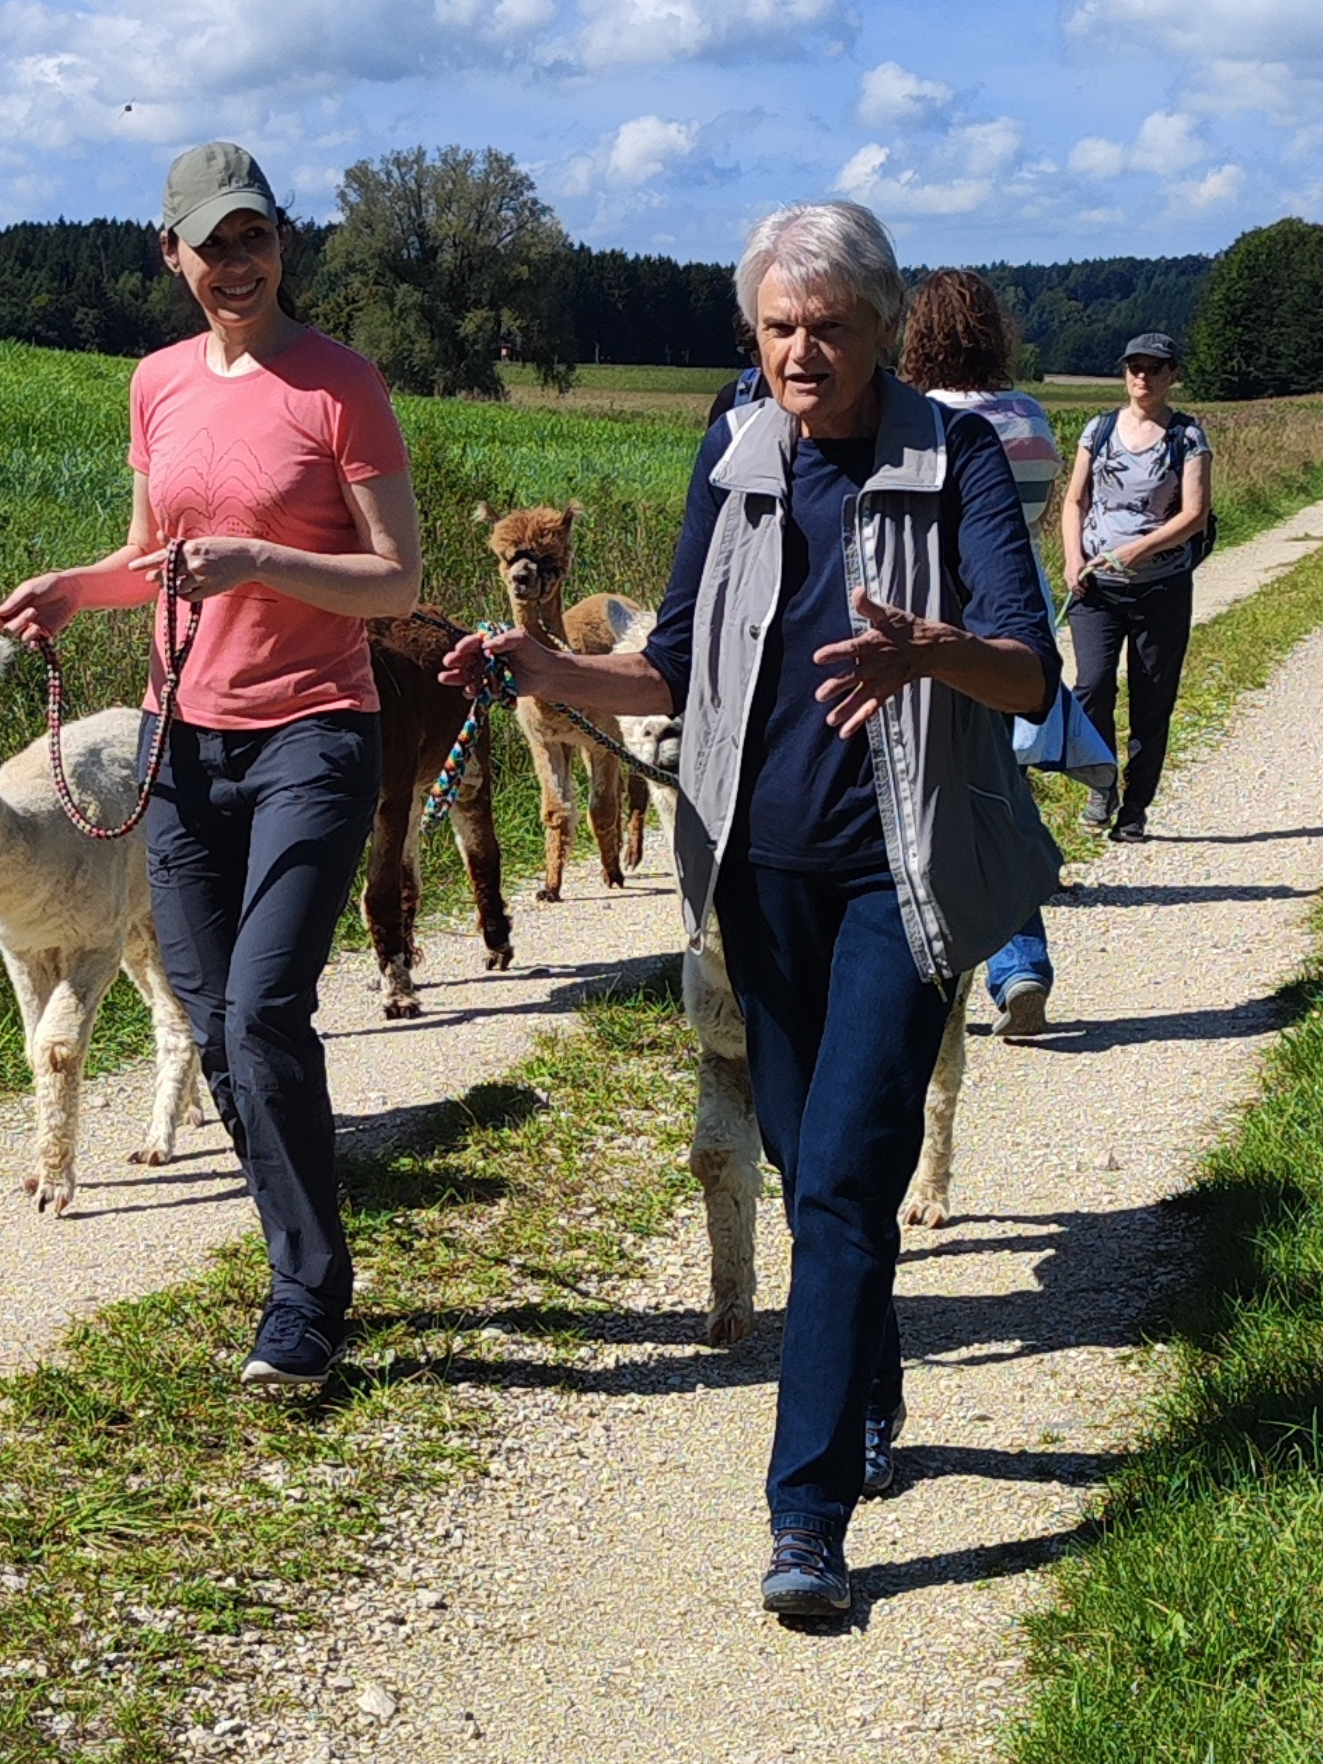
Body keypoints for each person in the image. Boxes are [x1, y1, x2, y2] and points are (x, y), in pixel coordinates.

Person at [441, 202, 1061, 1616]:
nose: (798, 352)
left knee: (842, 1175)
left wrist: (934, 652)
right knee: (800, 1160)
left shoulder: (948, 457)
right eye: (775, 328)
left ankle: (806, 1518)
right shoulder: (731, 459)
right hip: (752, 876)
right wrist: (534, 668)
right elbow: (667, 676)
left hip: (896, 878)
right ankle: (871, 1382)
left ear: (881, 328)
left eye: (825, 328)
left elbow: (1030, 677)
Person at [0, 141, 422, 1388]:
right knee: (212, 1022)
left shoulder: (339, 384)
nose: (235, 264)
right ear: (170, 254)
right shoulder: (157, 383)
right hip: (182, 737)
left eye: (254, 238)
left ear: (280, 243)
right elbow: (151, 552)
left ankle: (303, 1295)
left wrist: (258, 561)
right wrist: (75, 591)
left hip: (314, 731)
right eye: (209, 244)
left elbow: (397, 580)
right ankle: (311, 1245)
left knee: (263, 1006)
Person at [901, 268, 1064, 1038]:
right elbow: (1031, 511)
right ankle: (1016, 962)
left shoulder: (920, 422)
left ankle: (961, 963)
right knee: (994, 789)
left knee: (930, 800)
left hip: (931, 629)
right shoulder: (1028, 418)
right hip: (1015, 622)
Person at [1061, 331, 1213, 842]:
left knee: (1152, 701)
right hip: (1096, 588)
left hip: (1160, 588)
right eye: (1134, 367)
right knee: (1092, 685)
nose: (1142, 377)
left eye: (1154, 368)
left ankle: (1135, 809)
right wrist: (1071, 557)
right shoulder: (1098, 429)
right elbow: (1074, 501)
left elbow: (1195, 515)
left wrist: (1138, 550)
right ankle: (1100, 781)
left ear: (1173, 375)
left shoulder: (1188, 438)